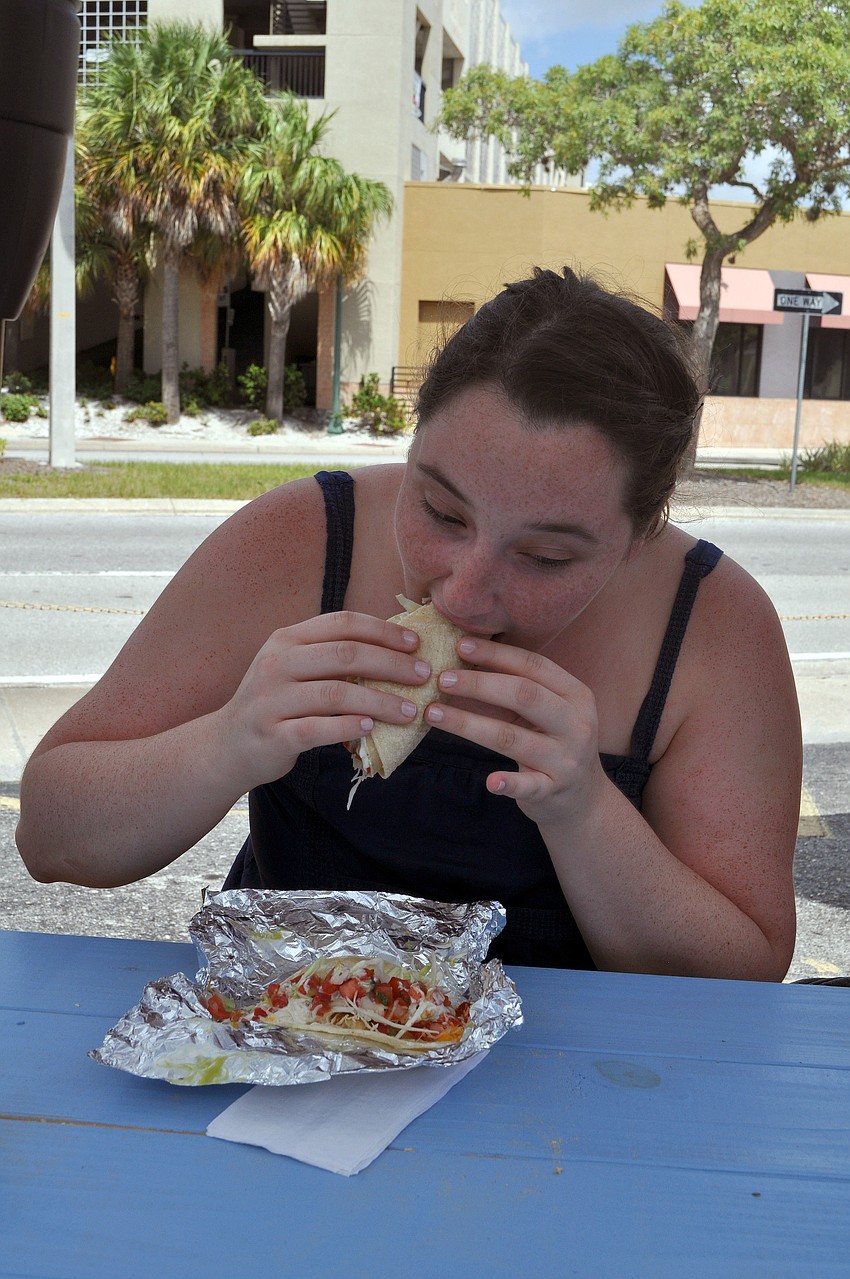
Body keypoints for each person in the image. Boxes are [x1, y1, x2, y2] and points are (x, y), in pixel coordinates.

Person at [15, 266, 802, 978]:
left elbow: (745, 972)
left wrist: (584, 809)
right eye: (440, 511)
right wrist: (227, 742)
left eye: (546, 557)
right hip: (285, 1041)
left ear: (640, 537)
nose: (462, 593)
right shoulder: (301, 539)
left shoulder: (714, 626)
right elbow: (49, 836)